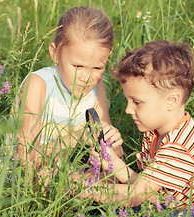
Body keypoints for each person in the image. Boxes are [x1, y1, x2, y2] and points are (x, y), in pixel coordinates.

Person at [79, 40, 194, 211]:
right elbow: (149, 190)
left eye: (136, 102)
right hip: (178, 210)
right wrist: (114, 164)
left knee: (132, 211)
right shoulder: (155, 132)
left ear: (172, 100)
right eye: (128, 100)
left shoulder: (180, 146)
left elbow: (134, 196)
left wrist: (81, 189)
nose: (128, 109)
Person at [14, 7, 123, 181]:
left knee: (112, 176)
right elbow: (25, 158)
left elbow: (111, 155)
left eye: (97, 68)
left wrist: (113, 144)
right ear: (55, 53)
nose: (87, 78)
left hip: (70, 172)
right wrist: (75, 138)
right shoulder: (38, 84)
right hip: (28, 175)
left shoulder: (97, 87)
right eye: (78, 66)